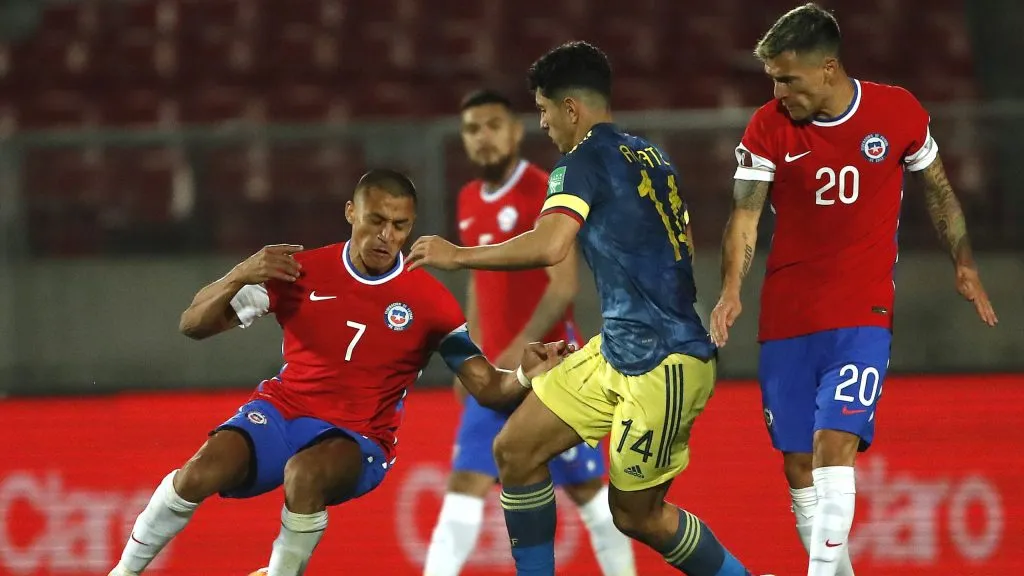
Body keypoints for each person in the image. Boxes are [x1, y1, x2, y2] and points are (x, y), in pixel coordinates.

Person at [108, 169, 571, 576]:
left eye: (400, 226)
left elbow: (488, 387)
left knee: (304, 475)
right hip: (283, 411)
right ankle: (125, 571)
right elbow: (192, 326)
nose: (387, 236)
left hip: (359, 438)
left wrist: (526, 376)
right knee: (199, 472)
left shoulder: (430, 303)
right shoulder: (299, 272)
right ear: (351, 212)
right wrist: (239, 274)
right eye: (376, 221)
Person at [409, 42, 756, 576]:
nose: (542, 123)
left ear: (571, 108)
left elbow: (551, 247)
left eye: (545, 110)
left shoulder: (581, 163)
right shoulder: (652, 155)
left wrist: (458, 256)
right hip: (616, 350)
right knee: (516, 450)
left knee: (637, 517)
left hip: (665, 364)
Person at [709, 4, 999, 576]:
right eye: (773, 80)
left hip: (861, 313)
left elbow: (938, 190)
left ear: (828, 69)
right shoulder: (767, 126)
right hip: (788, 313)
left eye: (787, 79)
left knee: (833, 448)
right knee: (797, 465)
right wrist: (729, 290)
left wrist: (963, 262)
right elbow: (744, 216)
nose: (778, 91)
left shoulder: (897, 111)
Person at [423, 89, 636, 576]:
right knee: (463, 488)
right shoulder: (469, 198)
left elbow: (563, 287)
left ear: (516, 131)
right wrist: (471, 358)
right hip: (498, 371)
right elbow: (480, 283)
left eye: (493, 125)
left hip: (551, 368)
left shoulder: (545, 189)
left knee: (591, 497)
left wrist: (517, 354)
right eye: (473, 129)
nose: (483, 137)